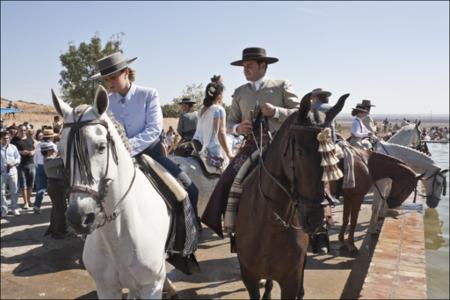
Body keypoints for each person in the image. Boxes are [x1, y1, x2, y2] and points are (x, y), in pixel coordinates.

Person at [201, 47, 300, 238]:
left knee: (310, 177)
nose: (245, 69)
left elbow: (299, 113)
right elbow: (230, 122)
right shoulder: (239, 92)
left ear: (263, 66)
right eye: (244, 66)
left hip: (282, 146)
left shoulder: (281, 85)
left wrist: (277, 112)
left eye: (249, 65)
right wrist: (238, 128)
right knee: (226, 179)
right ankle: (227, 223)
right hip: (252, 145)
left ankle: (318, 227)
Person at [90, 51, 199, 219]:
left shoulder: (149, 94)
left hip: (152, 155)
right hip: (118, 159)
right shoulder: (107, 101)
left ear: (125, 73)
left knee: (190, 190)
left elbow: (154, 129)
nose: (109, 83)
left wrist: (127, 149)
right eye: (106, 80)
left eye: (113, 78)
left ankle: (186, 237)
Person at [193, 75, 233, 171]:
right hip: (211, 150)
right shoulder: (219, 110)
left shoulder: (202, 109)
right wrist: (229, 153)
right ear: (219, 96)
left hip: (197, 145)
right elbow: (221, 133)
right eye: (223, 94)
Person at [41, 141, 67, 239]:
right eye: (52, 150)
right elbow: (62, 161)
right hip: (55, 185)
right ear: (48, 151)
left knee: (59, 208)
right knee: (59, 209)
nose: (53, 151)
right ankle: (57, 232)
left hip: (56, 185)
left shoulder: (50, 159)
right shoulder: (48, 160)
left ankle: (59, 229)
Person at [11, 124, 36, 209]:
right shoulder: (14, 140)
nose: (23, 132)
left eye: (24, 130)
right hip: (20, 164)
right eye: (21, 130)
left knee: (31, 184)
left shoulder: (29, 139)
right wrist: (20, 152)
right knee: (23, 184)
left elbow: (34, 148)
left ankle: (29, 200)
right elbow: (12, 151)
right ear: (18, 130)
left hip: (31, 163)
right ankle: (25, 202)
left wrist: (33, 152)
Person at [33, 128, 57, 214]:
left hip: (39, 166)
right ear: (51, 137)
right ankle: (55, 204)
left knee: (40, 187)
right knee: (53, 186)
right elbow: (55, 156)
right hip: (50, 165)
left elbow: (35, 157)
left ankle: (37, 205)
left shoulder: (39, 145)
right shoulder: (53, 146)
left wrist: (36, 166)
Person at [1, 130, 21, 217]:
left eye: (8, 138)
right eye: (4, 138)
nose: (7, 140)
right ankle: (4, 210)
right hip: (1, 173)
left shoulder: (13, 147)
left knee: (14, 191)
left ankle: (14, 208)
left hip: (13, 172)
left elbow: (18, 158)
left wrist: (14, 163)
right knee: (1, 192)